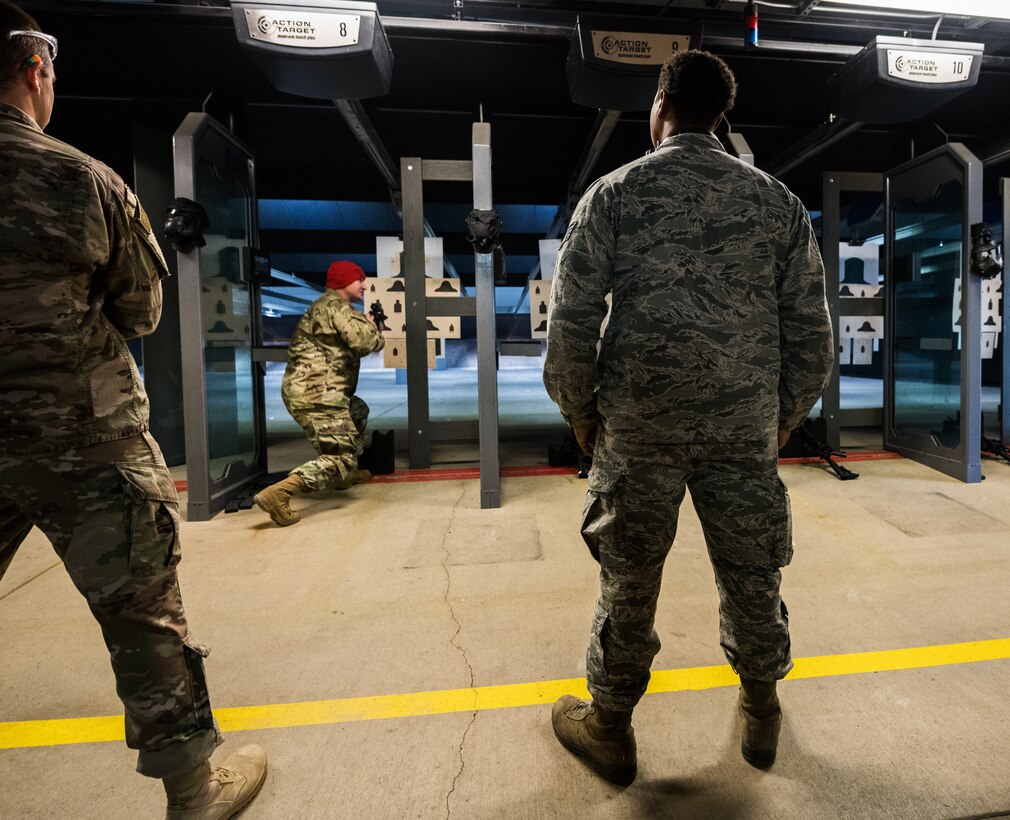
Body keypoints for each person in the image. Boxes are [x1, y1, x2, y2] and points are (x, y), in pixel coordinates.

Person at [0, 4, 267, 816]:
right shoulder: (79, 178)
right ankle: (193, 788)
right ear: (36, 70)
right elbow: (142, 311)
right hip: (87, 438)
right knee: (143, 616)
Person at [544, 49, 833, 786]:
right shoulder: (777, 203)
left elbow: (571, 319)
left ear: (661, 102)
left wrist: (581, 410)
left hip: (640, 430)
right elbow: (810, 329)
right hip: (743, 427)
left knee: (629, 577)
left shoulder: (615, 193)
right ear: (722, 114)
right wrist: (783, 417)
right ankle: (761, 709)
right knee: (752, 569)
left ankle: (610, 726)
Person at [255, 260, 385, 526]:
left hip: (317, 392)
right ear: (343, 282)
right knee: (342, 458)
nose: (364, 284)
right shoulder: (335, 307)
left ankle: (344, 476)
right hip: (319, 394)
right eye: (359, 279)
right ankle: (280, 493)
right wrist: (373, 326)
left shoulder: (327, 308)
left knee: (357, 410)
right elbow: (366, 341)